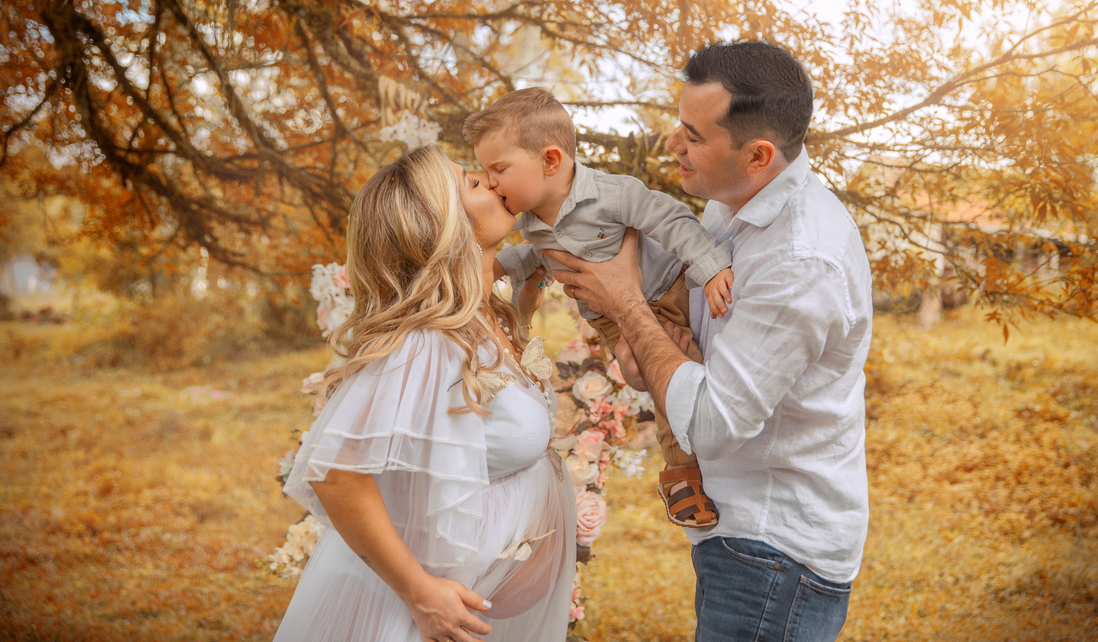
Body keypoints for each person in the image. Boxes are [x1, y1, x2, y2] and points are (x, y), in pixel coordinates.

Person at [545, 41, 873, 642]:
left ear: (758, 156)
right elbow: (695, 356)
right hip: (737, 535)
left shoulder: (800, 259)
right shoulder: (728, 209)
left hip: (775, 552)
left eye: (693, 136)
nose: (672, 142)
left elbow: (713, 424)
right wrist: (649, 351)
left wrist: (626, 304)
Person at [274, 144, 576, 642]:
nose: (492, 179)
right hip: (414, 621)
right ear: (444, 228)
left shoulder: (484, 318)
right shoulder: (425, 341)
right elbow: (334, 472)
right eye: (473, 183)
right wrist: (419, 592)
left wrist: (523, 310)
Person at [463, 88, 733, 529]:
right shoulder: (531, 222)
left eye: (499, 169)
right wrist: (486, 268)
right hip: (610, 320)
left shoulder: (610, 194)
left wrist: (711, 266)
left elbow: (668, 218)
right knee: (655, 377)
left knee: (682, 371)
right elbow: (534, 258)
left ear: (551, 161)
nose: (490, 181)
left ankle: (693, 470)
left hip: (662, 291)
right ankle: (683, 463)